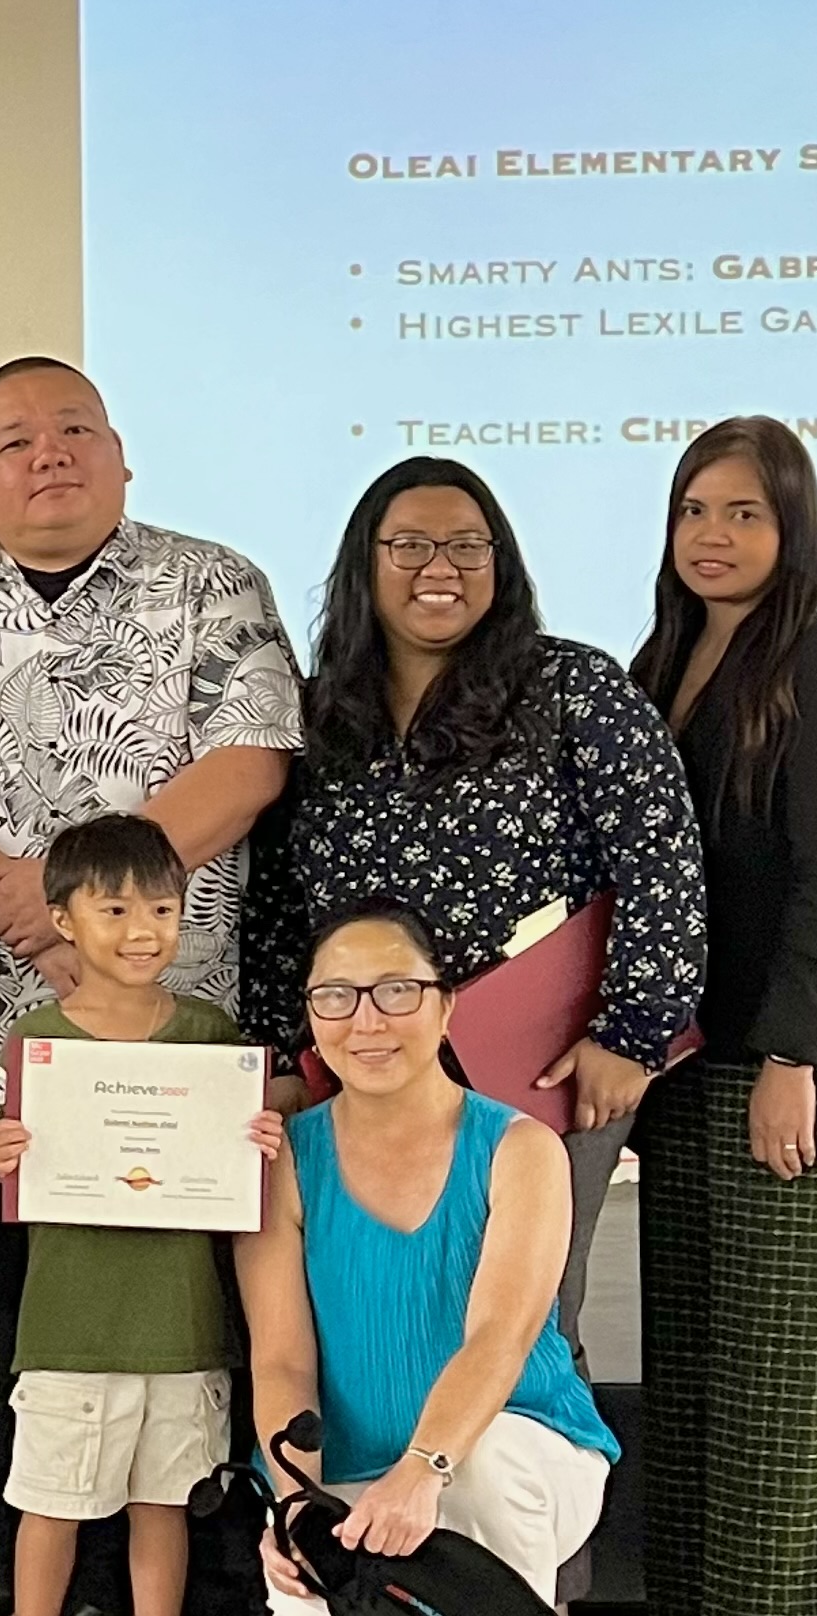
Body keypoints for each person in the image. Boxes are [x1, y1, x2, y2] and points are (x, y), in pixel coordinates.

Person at [0, 354, 301, 1616]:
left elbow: (251, 762)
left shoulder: (212, 586)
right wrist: (14, 902)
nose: (49, 455)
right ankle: (75, 1593)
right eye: (15, 440)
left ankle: (216, 1593)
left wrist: (80, 896)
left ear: (119, 454)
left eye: (74, 430)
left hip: (177, 1041)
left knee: (194, 1325)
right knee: (35, 1324)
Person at [241, 455, 703, 1346]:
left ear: (503, 562)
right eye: (409, 544)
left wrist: (630, 1036)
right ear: (363, 564)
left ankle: (529, 1487)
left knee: (524, 1320)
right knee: (375, 1318)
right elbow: (279, 902)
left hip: (543, 1067)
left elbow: (660, 861)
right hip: (362, 1060)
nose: (439, 567)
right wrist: (281, 1053)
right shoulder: (319, 712)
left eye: (466, 545)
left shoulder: (576, 688)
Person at [627, 416, 817, 1616]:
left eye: (742, 512)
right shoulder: (663, 661)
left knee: (792, 1369)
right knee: (697, 1354)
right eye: (693, 509)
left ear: (790, 529)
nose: (712, 536)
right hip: (686, 1063)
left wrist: (793, 1053)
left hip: (797, 1057)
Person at [237, 902, 619, 1616]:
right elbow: (281, 1363)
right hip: (367, 1470)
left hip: (516, 1453)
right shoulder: (286, 1160)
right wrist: (294, 1500)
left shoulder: (522, 1148)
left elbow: (503, 1332)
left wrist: (425, 1464)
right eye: (337, 996)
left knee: (483, 1468)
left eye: (397, 991)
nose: (366, 1020)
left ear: (448, 1006)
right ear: (311, 1016)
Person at [0, 816, 286, 1616]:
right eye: (114, 908)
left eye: (163, 906)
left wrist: (257, 1142)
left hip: (180, 1323)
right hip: (69, 1323)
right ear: (64, 918)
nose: (143, 928)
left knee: (164, 1502)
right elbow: (18, 1159)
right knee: (51, 1501)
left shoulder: (210, 1037)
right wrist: (1, 1152)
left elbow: (239, 1169)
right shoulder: (37, 1043)